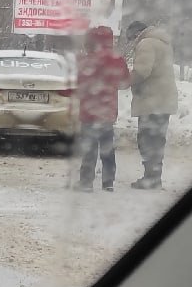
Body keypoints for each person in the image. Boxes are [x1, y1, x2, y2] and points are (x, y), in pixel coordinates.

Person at [73, 25, 130, 192]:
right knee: (107, 146)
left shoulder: (86, 59)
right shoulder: (118, 59)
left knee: (89, 148)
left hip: (89, 111)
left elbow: (78, 84)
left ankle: (86, 183)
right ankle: (108, 182)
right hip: (108, 111)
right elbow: (125, 82)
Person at [125, 20, 178, 189]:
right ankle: (155, 177)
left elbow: (142, 71)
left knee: (146, 140)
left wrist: (125, 81)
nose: (132, 43)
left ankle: (150, 178)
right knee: (157, 140)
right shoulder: (163, 43)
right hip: (164, 99)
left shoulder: (146, 43)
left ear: (136, 34)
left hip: (151, 100)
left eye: (131, 39)